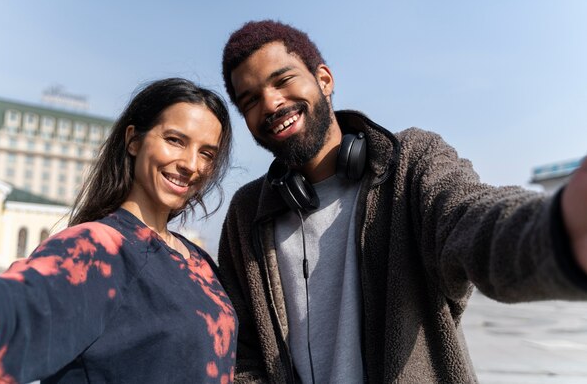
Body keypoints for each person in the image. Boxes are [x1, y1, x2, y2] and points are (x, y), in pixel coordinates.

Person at [216, 20, 587, 383]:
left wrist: (557, 228)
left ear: (324, 80)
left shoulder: (409, 161)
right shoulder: (247, 213)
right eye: (250, 100)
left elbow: (469, 218)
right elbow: (241, 349)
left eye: (282, 80)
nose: (271, 103)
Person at [0, 78, 237, 383]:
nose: (191, 164)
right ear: (133, 140)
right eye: (175, 140)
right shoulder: (98, 246)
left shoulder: (200, 261)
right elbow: (28, 308)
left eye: (207, 154)